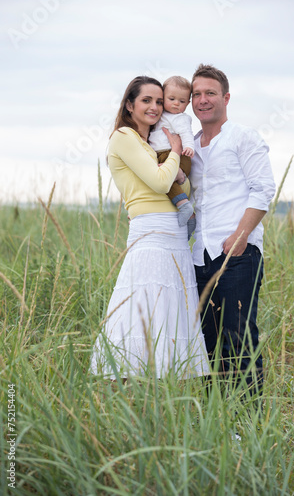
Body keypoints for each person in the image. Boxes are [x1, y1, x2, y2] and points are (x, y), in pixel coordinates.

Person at [90, 76, 209, 379]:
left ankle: (164, 403)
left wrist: (176, 165)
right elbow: (159, 181)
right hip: (151, 233)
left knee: (172, 315)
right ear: (129, 105)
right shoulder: (124, 137)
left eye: (159, 101)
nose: (155, 107)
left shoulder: (150, 142)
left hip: (176, 234)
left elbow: (182, 184)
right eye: (146, 100)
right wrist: (175, 150)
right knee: (144, 310)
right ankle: (134, 396)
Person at [189, 64, 276, 396]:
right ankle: (218, 420)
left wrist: (240, 236)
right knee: (207, 340)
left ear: (225, 97)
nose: (202, 100)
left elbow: (263, 189)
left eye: (210, 93)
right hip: (201, 257)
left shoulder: (244, 137)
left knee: (239, 335)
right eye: (196, 94)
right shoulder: (190, 147)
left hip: (239, 254)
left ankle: (247, 421)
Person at [149, 76, 196, 239]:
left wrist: (189, 146)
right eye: (172, 99)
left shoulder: (180, 118)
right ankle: (185, 211)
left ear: (187, 104)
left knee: (165, 178)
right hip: (165, 153)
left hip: (175, 154)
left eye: (182, 101)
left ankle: (184, 205)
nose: (176, 103)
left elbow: (186, 133)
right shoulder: (160, 115)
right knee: (161, 181)